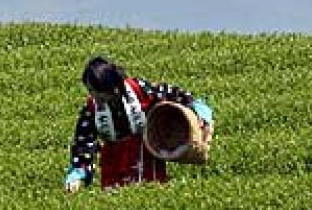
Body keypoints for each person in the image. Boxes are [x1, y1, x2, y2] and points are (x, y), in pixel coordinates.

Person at [64, 56, 212, 192]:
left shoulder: (139, 89)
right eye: (90, 90)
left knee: (151, 191)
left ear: (111, 88)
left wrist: (199, 113)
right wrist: (78, 174)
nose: (93, 95)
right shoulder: (92, 107)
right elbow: (84, 141)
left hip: (145, 154)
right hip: (113, 162)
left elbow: (174, 95)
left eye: (95, 90)